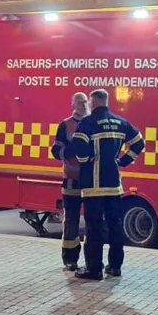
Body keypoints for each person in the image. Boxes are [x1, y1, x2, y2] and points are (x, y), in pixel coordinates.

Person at [70, 90, 145, 280]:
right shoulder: (120, 122)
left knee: (94, 228)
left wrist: (85, 158)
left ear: (93, 102)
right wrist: (123, 161)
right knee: (115, 226)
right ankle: (115, 266)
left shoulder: (87, 123)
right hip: (114, 185)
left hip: (93, 186)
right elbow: (139, 143)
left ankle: (93, 269)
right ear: (106, 101)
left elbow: (79, 146)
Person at [51, 92, 89, 272]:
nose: (84, 104)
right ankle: (70, 259)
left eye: (85, 102)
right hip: (72, 182)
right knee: (71, 222)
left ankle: (92, 260)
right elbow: (56, 151)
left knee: (93, 222)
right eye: (80, 102)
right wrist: (73, 148)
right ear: (73, 105)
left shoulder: (93, 123)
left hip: (91, 182)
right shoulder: (65, 125)